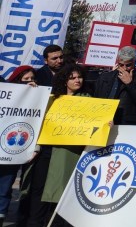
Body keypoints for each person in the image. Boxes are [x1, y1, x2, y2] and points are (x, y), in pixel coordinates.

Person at [27, 64, 90, 227]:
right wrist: (31, 91)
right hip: (45, 153)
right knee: (38, 193)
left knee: (59, 197)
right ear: (64, 80)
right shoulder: (51, 98)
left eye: (79, 77)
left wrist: (106, 123)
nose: (78, 80)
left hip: (67, 154)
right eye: (73, 77)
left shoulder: (88, 100)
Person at [0, 66, 37, 226]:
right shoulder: (5, 94)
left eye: (32, 79)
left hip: (11, 153)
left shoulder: (37, 98)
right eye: (25, 80)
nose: (29, 82)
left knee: (4, 189)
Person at [93, 46, 136, 125]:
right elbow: (96, 99)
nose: (124, 68)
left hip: (127, 123)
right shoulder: (105, 77)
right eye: (121, 65)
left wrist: (130, 84)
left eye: (128, 65)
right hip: (105, 121)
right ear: (117, 61)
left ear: (135, 62)